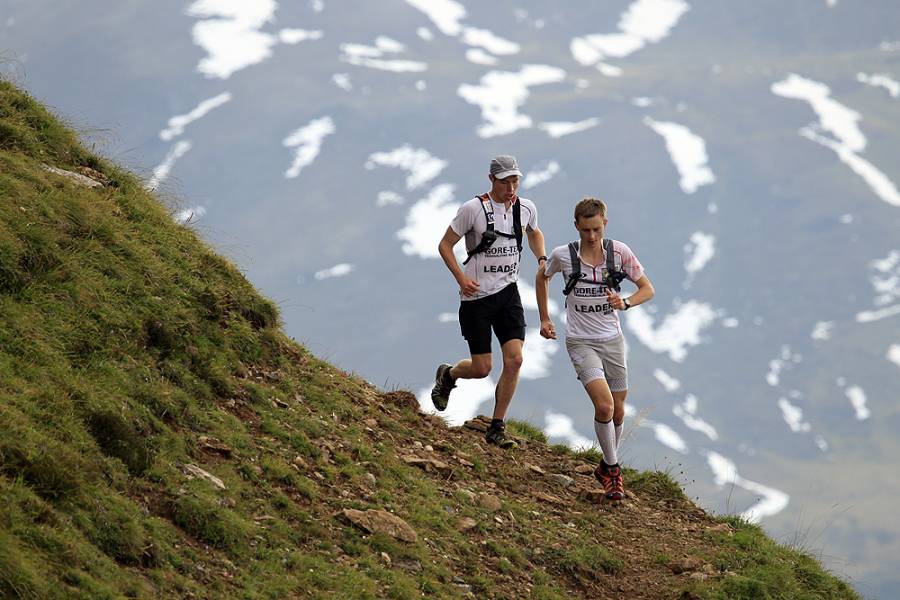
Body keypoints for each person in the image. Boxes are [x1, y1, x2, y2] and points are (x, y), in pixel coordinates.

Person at [535, 197, 654, 500]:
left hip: (612, 341)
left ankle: (604, 466)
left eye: (596, 230)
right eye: (585, 230)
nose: (591, 236)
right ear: (576, 225)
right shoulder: (564, 255)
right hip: (580, 341)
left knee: (618, 412)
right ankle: (613, 473)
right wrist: (545, 318)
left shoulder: (619, 253)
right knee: (604, 406)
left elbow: (647, 289)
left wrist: (625, 303)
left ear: (605, 224)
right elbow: (542, 276)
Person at [430, 155, 548, 449]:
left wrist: (542, 257)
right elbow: (445, 244)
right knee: (482, 367)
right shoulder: (473, 210)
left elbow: (534, 232)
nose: (511, 187)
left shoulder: (526, 208)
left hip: (508, 293)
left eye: (515, 181)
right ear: (491, 180)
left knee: (515, 359)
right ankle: (449, 374)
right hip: (476, 299)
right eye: (505, 181)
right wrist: (460, 277)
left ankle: (497, 426)